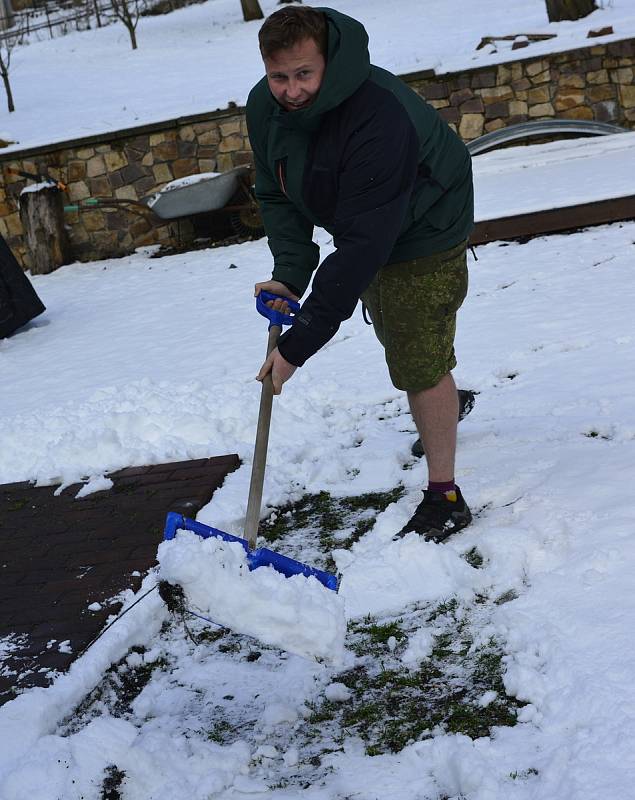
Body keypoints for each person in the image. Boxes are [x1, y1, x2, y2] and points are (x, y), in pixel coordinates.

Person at [246, 6, 474, 541]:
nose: (291, 90)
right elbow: (275, 191)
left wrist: (298, 345)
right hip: (365, 221)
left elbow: (361, 248)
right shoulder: (266, 106)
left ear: (330, 61)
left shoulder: (377, 114)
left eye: (305, 74)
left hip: (425, 223)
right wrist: (290, 274)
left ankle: (446, 497)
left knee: (416, 356)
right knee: (408, 338)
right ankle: (445, 399)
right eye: (279, 76)